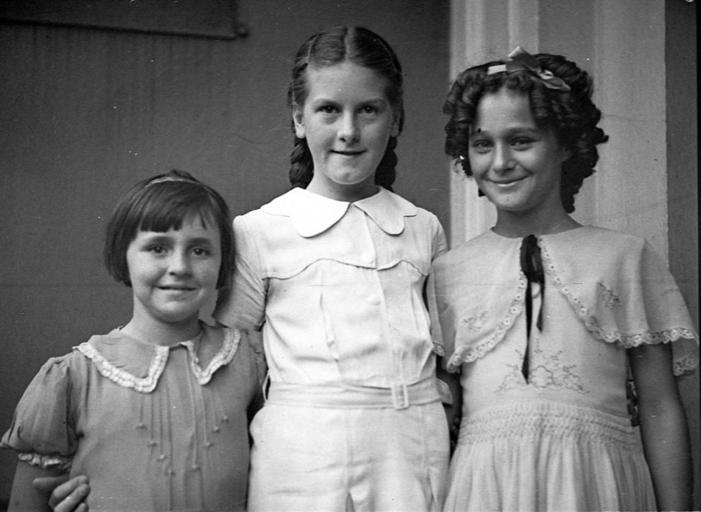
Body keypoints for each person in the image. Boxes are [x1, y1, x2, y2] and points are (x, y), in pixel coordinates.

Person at [428, 46, 699, 511]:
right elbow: (440, 417)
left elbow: (659, 407)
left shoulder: (624, 258)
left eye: (521, 141)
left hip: (596, 484)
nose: (500, 162)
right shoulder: (449, 272)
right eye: (482, 144)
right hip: (485, 489)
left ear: (567, 144)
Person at [213, 25, 450, 511]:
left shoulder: (422, 228)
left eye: (368, 110)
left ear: (396, 118)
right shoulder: (260, 231)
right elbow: (234, 369)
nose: (348, 131)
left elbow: (444, 357)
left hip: (410, 450)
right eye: (328, 110)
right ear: (298, 117)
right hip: (303, 457)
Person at [2, 170, 263, 511]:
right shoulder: (75, 377)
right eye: (158, 248)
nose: (180, 266)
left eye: (200, 250)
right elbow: (27, 503)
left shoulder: (247, 359)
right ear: (122, 255)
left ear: (223, 261)